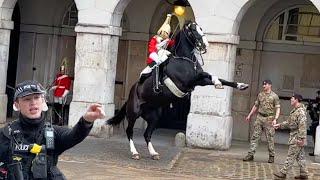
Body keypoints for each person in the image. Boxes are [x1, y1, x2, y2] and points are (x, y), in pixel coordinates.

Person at [0, 80, 105, 180]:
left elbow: (73, 136)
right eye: (27, 99)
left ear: (43, 101)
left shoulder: (53, 133)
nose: (33, 103)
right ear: (17, 104)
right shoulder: (5, 134)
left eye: (37, 97)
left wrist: (86, 120)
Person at [243, 79, 280, 163]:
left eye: (265, 84)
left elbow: (278, 108)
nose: (264, 86)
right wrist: (249, 115)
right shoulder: (260, 95)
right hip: (259, 118)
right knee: (255, 137)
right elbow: (256, 106)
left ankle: (271, 156)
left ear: (270, 85)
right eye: (263, 84)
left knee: (270, 138)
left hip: (269, 119)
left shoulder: (274, 96)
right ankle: (250, 154)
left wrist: (275, 119)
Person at [273, 93, 308, 179]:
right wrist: (280, 125)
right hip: (296, 136)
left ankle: (283, 172)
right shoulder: (295, 111)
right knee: (300, 157)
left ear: (296, 100)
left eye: (292, 98)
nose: (290, 100)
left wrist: (301, 138)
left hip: (297, 137)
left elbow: (302, 125)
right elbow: (289, 123)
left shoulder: (300, 111)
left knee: (291, 155)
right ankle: (304, 174)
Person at [139, 14, 175, 81]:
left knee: (168, 55)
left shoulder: (167, 40)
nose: (164, 34)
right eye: (163, 32)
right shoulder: (155, 38)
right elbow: (156, 47)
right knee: (158, 61)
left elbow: (173, 43)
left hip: (162, 53)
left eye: (166, 33)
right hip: (154, 53)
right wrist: (165, 42)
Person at [307, 90, 320, 156]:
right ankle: (315, 150)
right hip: (315, 122)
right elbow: (309, 109)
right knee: (314, 137)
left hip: (318, 122)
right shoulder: (316, 102)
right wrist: (311, 106)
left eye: (319, 94)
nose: (318, 96)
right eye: (318, 94)